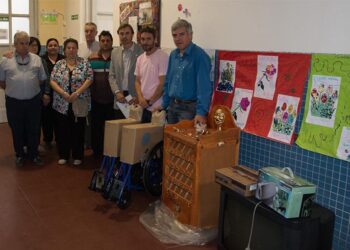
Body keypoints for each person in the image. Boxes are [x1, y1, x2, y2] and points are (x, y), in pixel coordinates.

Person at [0, 31, 47, 166]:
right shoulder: (5, 60)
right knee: (17, 129)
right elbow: (2, 82)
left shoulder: (36, 59)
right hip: (14, 102)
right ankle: (19, 154)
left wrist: (29, 88)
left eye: (27, 43)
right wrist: (15, 89)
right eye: (21, 43)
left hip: (33, 101)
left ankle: (34, 155)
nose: (25, 46)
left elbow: (42, 79)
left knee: (34, 128)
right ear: (15, 44)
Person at [50, 38, 93, 166]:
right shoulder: (59, 64)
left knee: (78, 130)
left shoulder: (84, 63)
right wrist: (63, 93)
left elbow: (90, 78)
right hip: (61, 103)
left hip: (79, 103)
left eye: (73, 47)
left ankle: (77, 155)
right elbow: (52, 81)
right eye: (68, 48)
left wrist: (77, 93)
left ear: (77, 49)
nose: (71, 50)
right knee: (62, 130)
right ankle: (63, 155)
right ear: (65, 49)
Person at [162, 19, 213, 125]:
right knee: (171, 140)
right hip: (172, 107)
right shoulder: (173, 55)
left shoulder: (200, 56)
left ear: (190, 35)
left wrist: (201, 112)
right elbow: (168, 82)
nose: (178, 38)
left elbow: (204, 88)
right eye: (174, 35)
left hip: (189, 110)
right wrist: (164, 104)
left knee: (185, 140)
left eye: (182, 34)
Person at [88, 31, 115, 157]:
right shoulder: (92, 58)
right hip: (96, 99)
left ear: (112, 42)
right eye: (103, 41)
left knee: (111, 129)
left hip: (113, 100)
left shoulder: (116, 57)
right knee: (96, 128)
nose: (105, 43)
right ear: (100, 42)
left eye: (108, 40)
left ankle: (110, 152)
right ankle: (97, 152)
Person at [134, 26, 168, 123]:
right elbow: (137, 81)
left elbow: (163, 83)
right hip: (143, 107)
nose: (145, 42)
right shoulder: (140, 58)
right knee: (142, 137)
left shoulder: (162, 56)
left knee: (157, 138)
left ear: (155, 39)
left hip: (157, 109)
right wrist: (141, 99)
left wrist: (150, 102)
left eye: (149, 39)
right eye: (143, 39)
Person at [109, 23, 143, 119]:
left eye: (127, 33)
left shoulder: (141, 51)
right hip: (120, 97)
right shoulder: (115, 52)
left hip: (135, 97)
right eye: (121, 33)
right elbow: (111, 76)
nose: (124, 36)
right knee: (119, 129)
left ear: (132, 34)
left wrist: (139, 95)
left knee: (133, 130)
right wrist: (117, 92)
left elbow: (144, 77)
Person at [41, 38, 65, 148]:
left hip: (61, 94)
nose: (53, 47)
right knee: (47, 119)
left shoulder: (63, 59)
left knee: (59, 118)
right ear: (46, 47)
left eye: (55, 45)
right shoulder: (42, 59)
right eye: (50, 45)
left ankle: (60, 139)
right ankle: (48, 140)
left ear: (58, 47)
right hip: (47, 94)